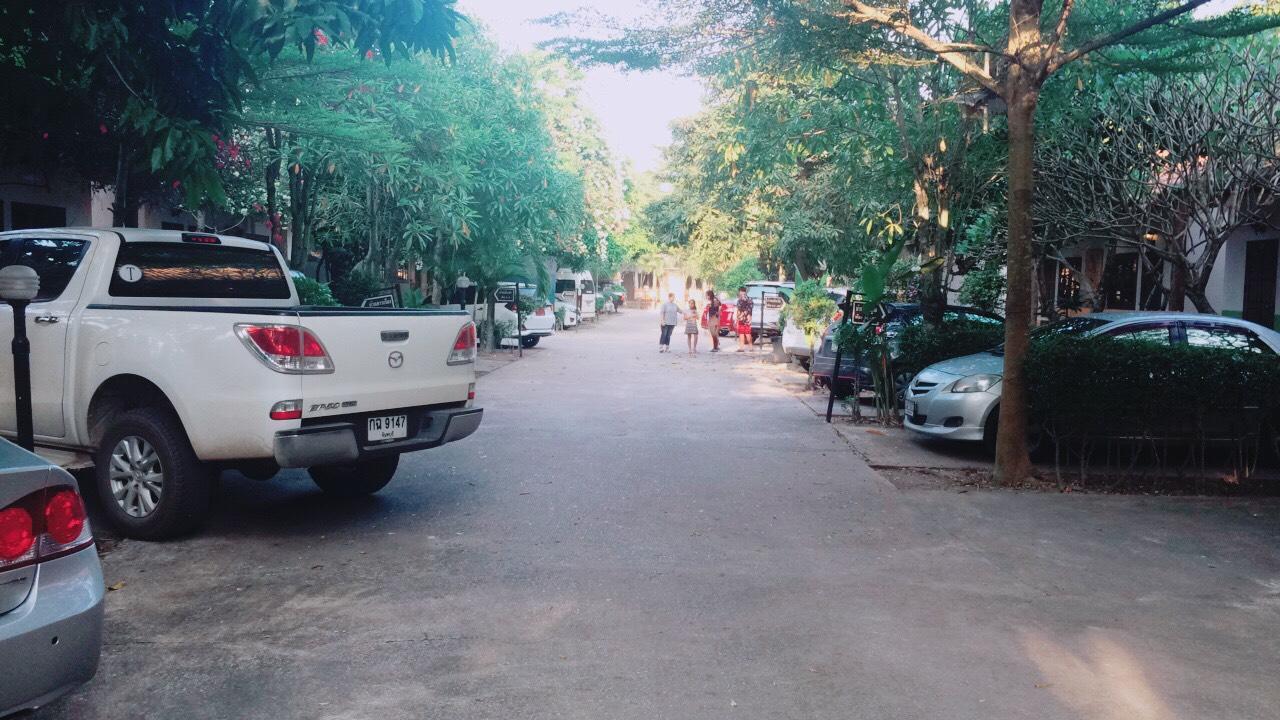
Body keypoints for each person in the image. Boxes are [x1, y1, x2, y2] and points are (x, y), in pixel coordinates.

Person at [734, 286, 754, 353]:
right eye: (740, 292)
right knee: (741, 333)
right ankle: (742, 348)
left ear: (744, 292)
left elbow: (748, 310)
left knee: (747, 333)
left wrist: (740, 316)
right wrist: (737, 318)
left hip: (746, 319)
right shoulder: (740, 300)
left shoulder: (748, 300)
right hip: (741, 318)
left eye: (741, 292)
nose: (740, 293)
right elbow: (738, 310)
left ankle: (750, 347)